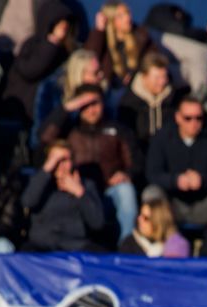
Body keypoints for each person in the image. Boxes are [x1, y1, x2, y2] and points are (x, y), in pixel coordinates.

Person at [44, 84, 137, 244]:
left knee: (126, 191)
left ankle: (125, 248)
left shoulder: (117, 129)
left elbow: (136, 162)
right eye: (85, 105)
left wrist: (127, 174)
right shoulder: (69, 130)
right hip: (77, 189)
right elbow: (45, 138)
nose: (91, 110)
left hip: (109, 191)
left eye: (95, 104)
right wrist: (66, 109)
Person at [141, 96, 207, 232]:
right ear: (178, 117)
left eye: (198, 118)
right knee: (151, 194)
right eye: (188, 118)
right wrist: (175, 180)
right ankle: (159, 240)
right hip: (172, 205)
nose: (194, 123)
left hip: (203, 203)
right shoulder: (162, 137)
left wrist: (202, 180)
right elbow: (152, 173)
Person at [21, 140, 107, 252]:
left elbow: (97, 223)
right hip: (41, 245)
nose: (60, 165)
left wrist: (79, 192)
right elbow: (28, 201)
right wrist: (46, 170)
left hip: (76, 246)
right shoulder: (40, 183)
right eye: (55, 160)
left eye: (65, 160)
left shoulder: (85, 185)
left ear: (73, 162)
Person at [117, 52, 187, 146]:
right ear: (144, 77)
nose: (162, 82)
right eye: (157, 78)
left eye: (164, 76)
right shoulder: (128, 103)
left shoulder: (175, 98)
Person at [118, 198, 190, 258]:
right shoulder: (129, 243)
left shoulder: (176, 244)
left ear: (158, 222)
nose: (139, 219)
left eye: (145, 218)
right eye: (140, 215)